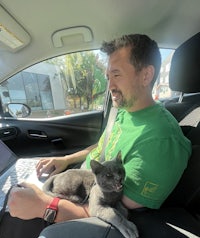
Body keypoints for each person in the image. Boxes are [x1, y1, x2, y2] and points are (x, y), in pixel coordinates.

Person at [8, 34, 191, 223]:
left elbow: (107, 216)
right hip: (76, 185)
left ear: (146, 75)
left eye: (117, 75)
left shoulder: (161, 141)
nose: (110, 85)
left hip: (79, 209)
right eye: (108, 77)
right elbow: (103, 146)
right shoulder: (127, 110)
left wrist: (43, 205)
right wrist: (66, 160)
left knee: (9, 213)